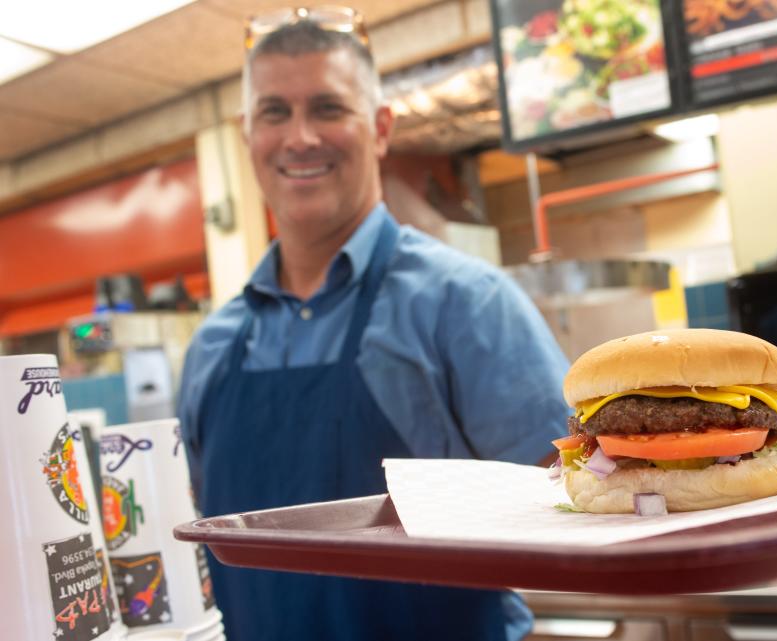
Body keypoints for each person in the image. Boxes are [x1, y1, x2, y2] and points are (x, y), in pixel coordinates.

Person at [177, 8, 570, 641]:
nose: (299, 136)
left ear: (381, 128)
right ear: (248, 133)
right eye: (274, 112)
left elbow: (577, 504)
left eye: (328, 108)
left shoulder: (466, 305)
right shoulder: (211, 348)